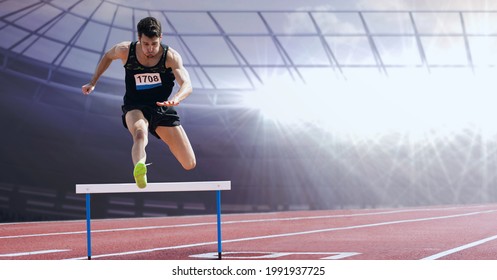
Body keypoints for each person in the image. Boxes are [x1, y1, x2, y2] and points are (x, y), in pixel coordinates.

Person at [81, 16, 196, 189]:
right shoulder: (125, 50)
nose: (150, 49)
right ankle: (139, 168)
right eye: (146, 44)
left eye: (154, 44)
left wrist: (176, 98)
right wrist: (93, 82)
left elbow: (187, 84)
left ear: (161, 39)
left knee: (189, 163)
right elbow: (107, 57)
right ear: (139, 38)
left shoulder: (170, 57)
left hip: (162, 108)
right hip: (135, 106)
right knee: (140, 133)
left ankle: (142, 164)